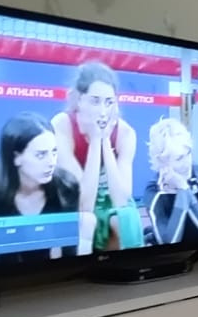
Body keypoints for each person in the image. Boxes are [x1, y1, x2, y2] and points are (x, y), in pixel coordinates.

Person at [0, 112, 82, 264]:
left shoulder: (66, 186)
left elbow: (70, 253)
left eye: (54, 152)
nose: (51, 162)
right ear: (16, 157)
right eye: (41, 155)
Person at [51, 60, 144, 255]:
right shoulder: (62, 125)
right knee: (85, 220)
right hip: (72, 200)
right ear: (79, 100)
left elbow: (121, 200)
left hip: (108, 198)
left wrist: (105, 142)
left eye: (109, 102)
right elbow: (84, 203)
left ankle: (134, 264)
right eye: (95, 101)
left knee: (127, 217)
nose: (103, 111)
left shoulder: (125, 133)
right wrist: (95, 141)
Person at [142, 117, 198, 245]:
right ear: (162, 161)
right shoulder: (153, 191)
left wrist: (183, 187)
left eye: (188, 153)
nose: (187, 163)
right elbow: (169, 242)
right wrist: (182, 190)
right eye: (179, 159)